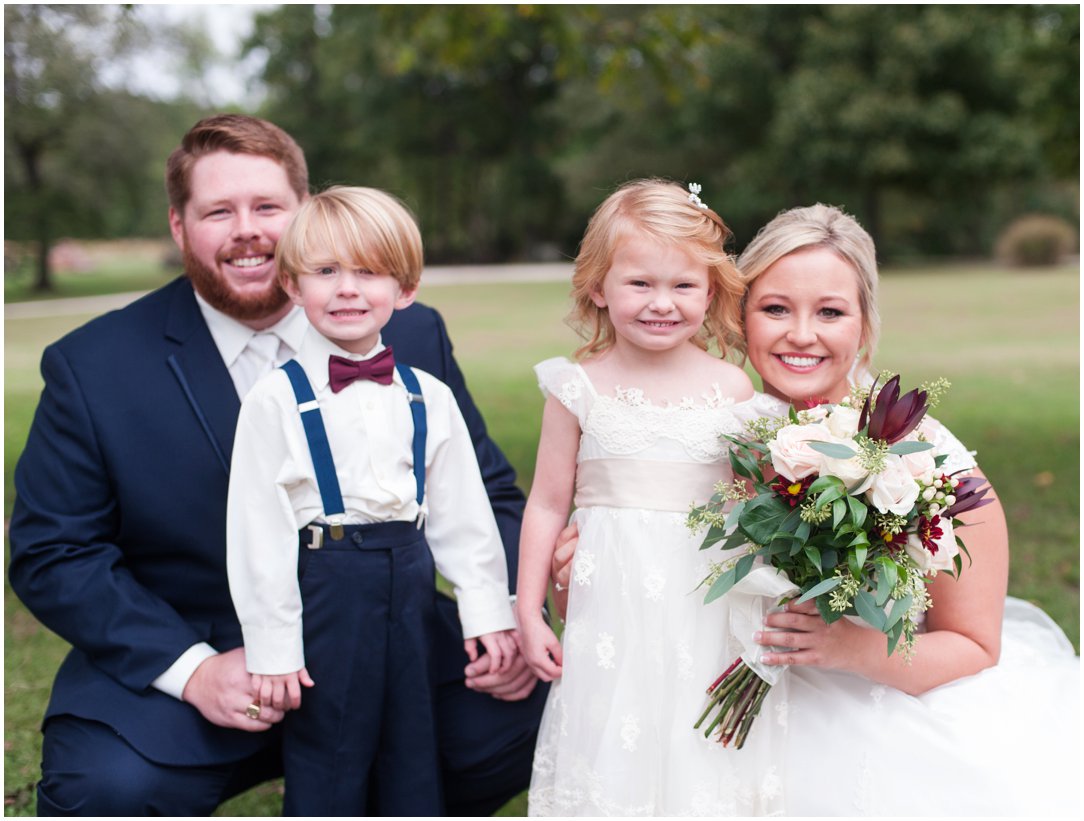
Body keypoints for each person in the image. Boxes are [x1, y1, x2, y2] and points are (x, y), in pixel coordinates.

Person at [7, 113, 546, 816]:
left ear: (304, 215)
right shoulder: (93, 365)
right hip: (203, 653)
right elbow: (56, 551)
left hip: (390, 637)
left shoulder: (409, 331)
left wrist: (500, 616)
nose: (247, 229)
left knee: (537, 716)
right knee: (104, 789)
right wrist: (194, 671)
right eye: (217, 211)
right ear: (178, 227)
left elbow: (486, 492)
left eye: (267, 207)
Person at [736, 203, 1081, 816]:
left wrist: (853, 650)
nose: (801, 334)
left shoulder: (928, 466)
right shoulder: (711, 440)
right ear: (741, 319)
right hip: (729, 706)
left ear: (865, 325)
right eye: (775, 308)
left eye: (831, 312)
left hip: (877, 702)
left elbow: (974, 644)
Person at [226, 186, 518, 814]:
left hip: (410, 577)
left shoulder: (427, 396)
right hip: (330, 585)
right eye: (326, 272)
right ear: (292, 285)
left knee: (412, 738)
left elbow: (463, 513)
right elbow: (258, 530)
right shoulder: (274, 400)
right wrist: (273, 648)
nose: (348, 289)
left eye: (368, 272)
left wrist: (487, 607)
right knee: (331, 741)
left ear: (405, 289)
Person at [517, 179, 789, 816]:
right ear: (597, 287)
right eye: (640, 283)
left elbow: (758, 510)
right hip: (611, 608)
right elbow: (547, 504)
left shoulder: (732, 390)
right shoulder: (576, 388)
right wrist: (529, 608)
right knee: (614, 741)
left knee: (699, 746)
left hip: (704, 604)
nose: (661, 304)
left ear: (711, 290)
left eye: (683, 286)